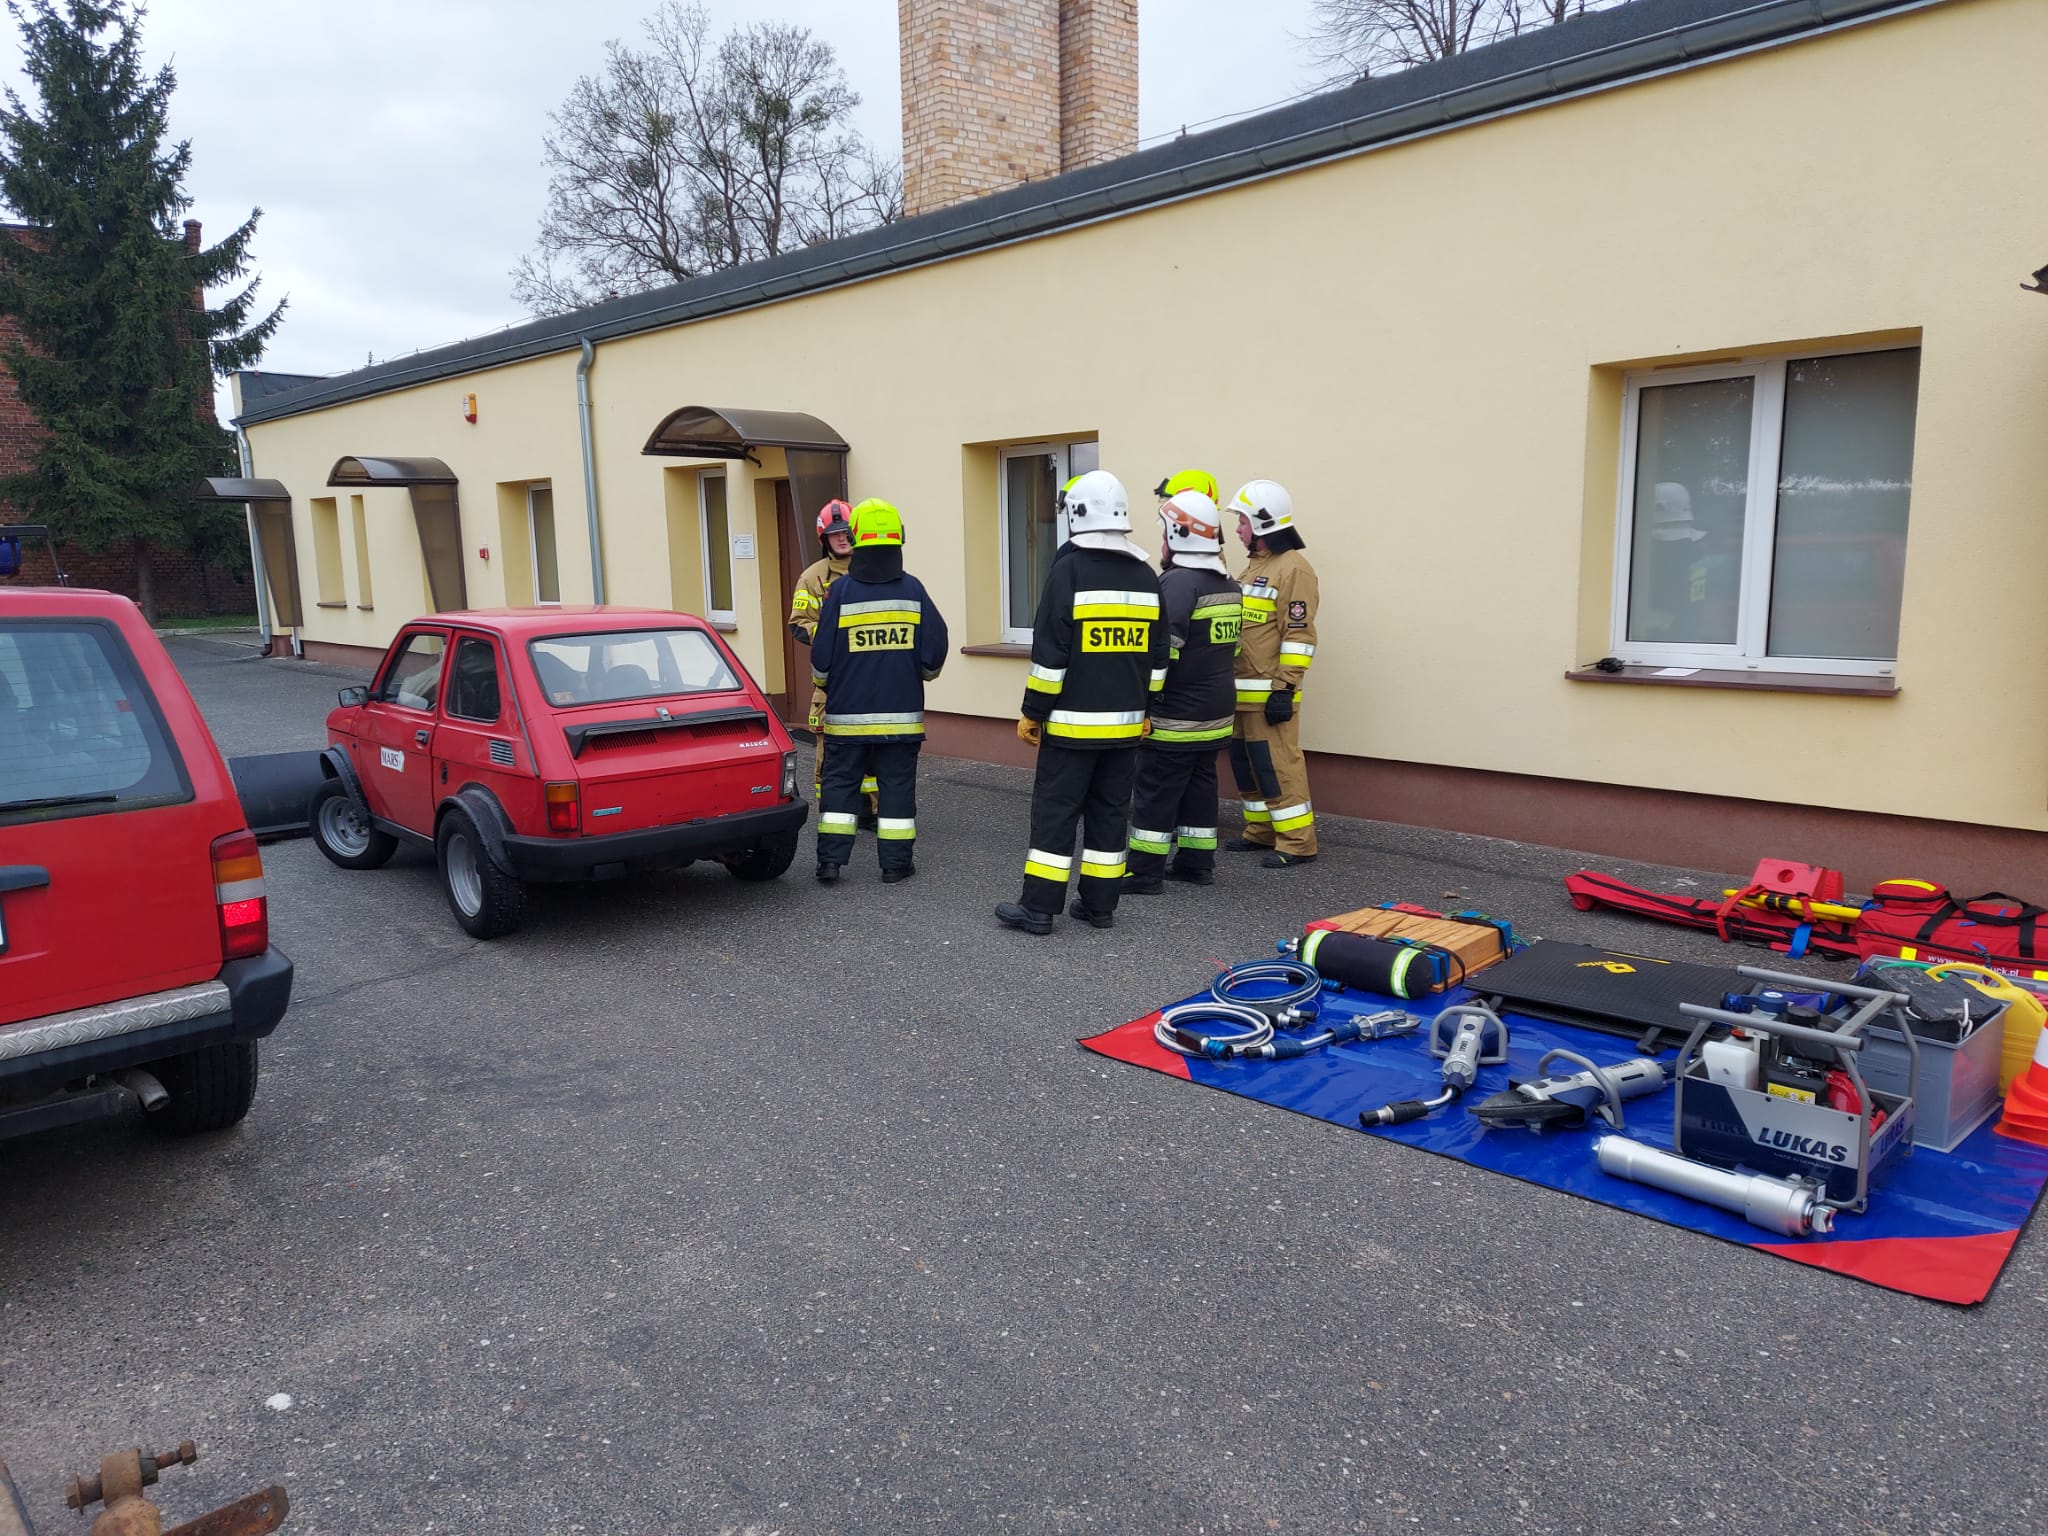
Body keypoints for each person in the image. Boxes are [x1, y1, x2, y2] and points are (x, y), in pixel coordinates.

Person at [996, 469, 1167, 936]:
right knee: (1110, 815)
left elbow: (1050, 656)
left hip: (1071, 730)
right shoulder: (1147, 577)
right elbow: (1159, 658)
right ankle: (1099, 906)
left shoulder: (1067, 571)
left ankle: (1038, 909)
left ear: (1076, 515)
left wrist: (1033, 712)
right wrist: (1147, 708)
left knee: (1056, 815)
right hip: (1125, 730)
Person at [809, 499, 949, 885]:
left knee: (839, 787)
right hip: (901, 720)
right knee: (897, 789)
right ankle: (895, 866)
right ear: (898, 539)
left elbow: (821, 658)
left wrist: (826, 684)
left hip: (846, 719)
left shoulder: (839, 592)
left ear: (856, 539)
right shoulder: (913, 590)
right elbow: (934, 650)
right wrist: (920, 674)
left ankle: (830, 864)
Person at [1123, 485, 1240, 893]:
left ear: (1179, 535)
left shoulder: (1176, 585)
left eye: (1165, 533)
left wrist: (1142, 701)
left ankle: (1144, 871)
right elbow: (1230, 649)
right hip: (1216, 712)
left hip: (1176, 715)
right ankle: (1196, 863)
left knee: (1156, 791)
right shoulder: (1229, 584)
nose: (1161, 542)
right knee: (1200, 788)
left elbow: (1162, 655)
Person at [1226, 479, 1319, 868]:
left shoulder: (1294, 569)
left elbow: (1299, 634)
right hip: (1242, 695)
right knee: (1248, 767)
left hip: (1270, 695)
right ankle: (1261, 831)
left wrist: (1285, 688)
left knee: (1278, 766)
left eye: (1242, 521)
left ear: (1262, 523)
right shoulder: (1255, 567)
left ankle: (1297, 842)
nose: (1237, 529)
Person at [786, 498, 878, 815]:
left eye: (845, 532)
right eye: (834, 533)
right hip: (833, 681)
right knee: (831, 751)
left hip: (872, 677)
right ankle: (834, 810)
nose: (841, 538)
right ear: (824, 538)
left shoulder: (874, 570)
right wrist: (834, 636)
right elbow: (798, 625)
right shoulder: (813, 577)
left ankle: (872, 811)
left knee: (874, 747)